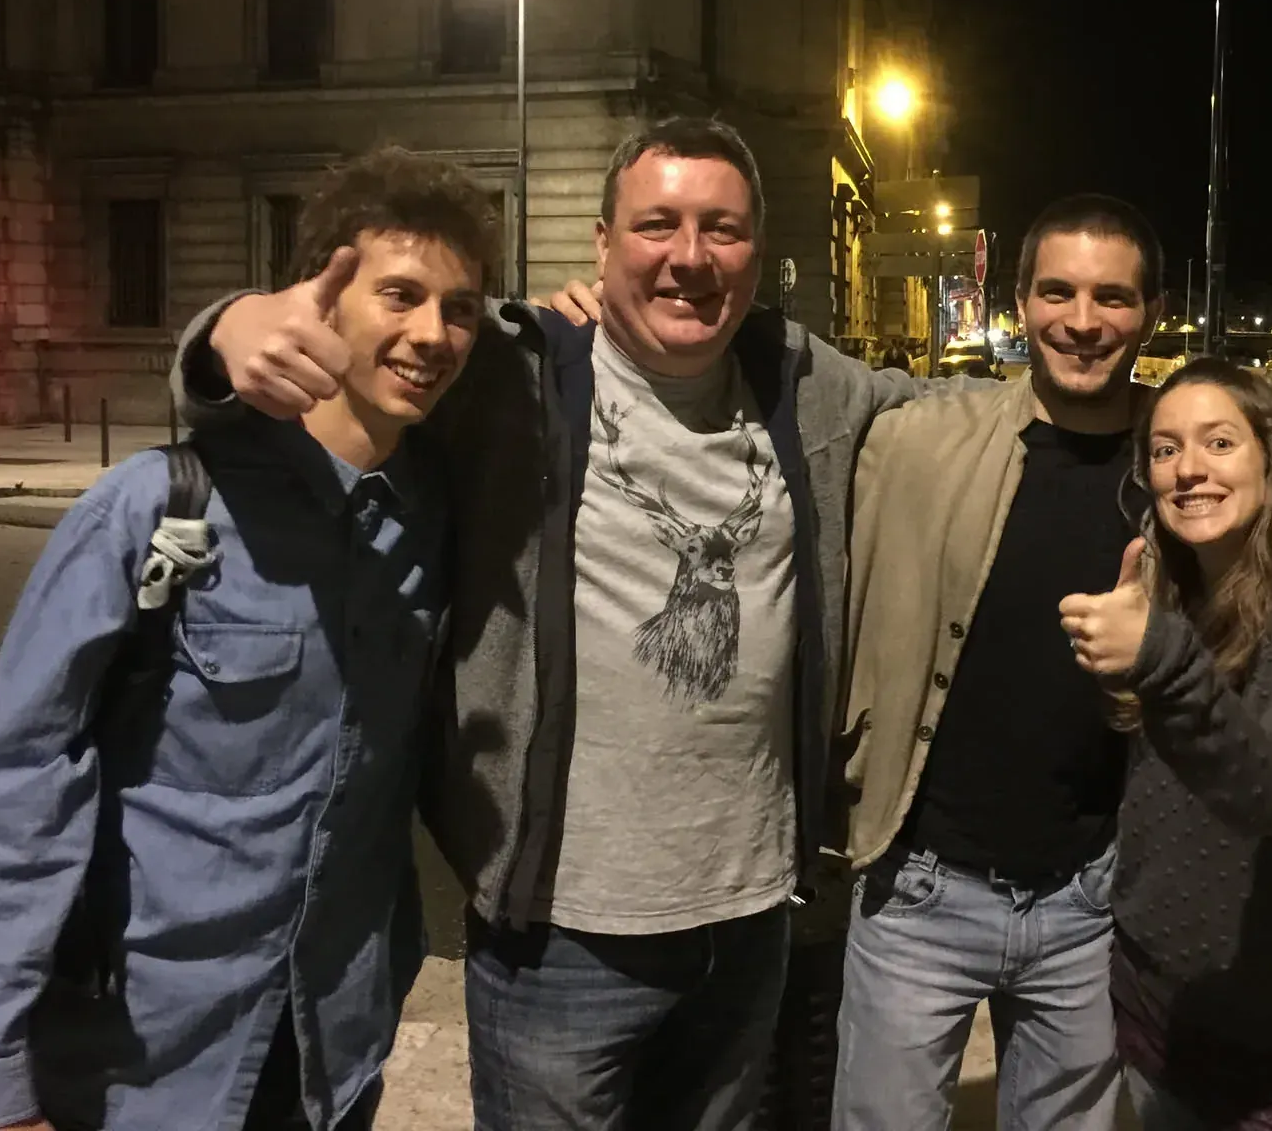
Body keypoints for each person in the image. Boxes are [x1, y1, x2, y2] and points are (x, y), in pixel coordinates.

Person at [173, 117, 927, 1131]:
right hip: (559, 939)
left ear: (760, 250)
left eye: (724, 229)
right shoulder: (508, 372)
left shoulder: (810, 387)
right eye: (657, 225)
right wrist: (227, 330)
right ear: (604, 245)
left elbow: (962, 420)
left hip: (747, 921)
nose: (691, 258)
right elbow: (348, 350)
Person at [0, 150, 494, 1131]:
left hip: (329, 1059)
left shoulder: (432, 520)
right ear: (322, 299)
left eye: (462, 307)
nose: (433, 333)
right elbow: (4, 795)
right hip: (143, 1064)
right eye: (400, 295)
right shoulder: (157, 507)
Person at [829, 195, 1272, 1130]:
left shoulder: (1183, 464)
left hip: (1088, 906)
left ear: (1149, 311)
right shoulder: (925, 437)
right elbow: (795, 380)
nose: (1081, 320)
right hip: (921, 891)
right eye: (1057, 291)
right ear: (1018, 301)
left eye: (1113, 296)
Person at [1062, 359, 1272, 1130]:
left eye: (1219, 443)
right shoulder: (1168, 595)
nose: (1188, 470)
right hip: (1156, 1022)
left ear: (1271, 456)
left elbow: (1269, 788)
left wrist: (1157, 658)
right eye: (1165, 449)